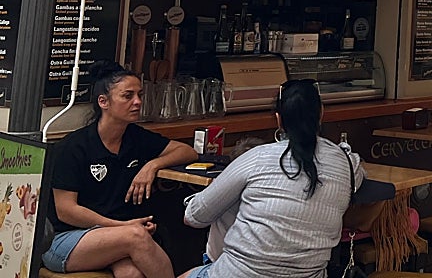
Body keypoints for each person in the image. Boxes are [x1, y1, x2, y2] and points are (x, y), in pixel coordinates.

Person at [182, 78, 365, 277]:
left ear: (278, 119)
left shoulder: (257, 157)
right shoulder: (346, 164)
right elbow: (357, 172)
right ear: (321, 113)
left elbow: (194, 217)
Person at [43, 61, 197, 278]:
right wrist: (120, 226)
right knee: (135, 236)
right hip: (65, 240)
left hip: (113, 238)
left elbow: (187, 151)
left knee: (131, 273)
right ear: (103, 102)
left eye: (139, 95)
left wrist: (151, 165)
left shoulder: (136, 137)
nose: (137, 102)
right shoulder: (73, 147)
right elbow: (66, 210)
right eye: (128, 96)